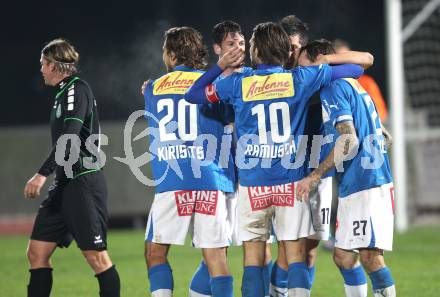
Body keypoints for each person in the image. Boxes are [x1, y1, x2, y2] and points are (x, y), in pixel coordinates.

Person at [185, 22, 370, 297]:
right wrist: (325, 63)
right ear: (284, 51)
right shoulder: (300, 78)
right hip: (290, 183)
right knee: (295, 256)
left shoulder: (237, 82)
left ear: (255, 50)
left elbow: (194, 95)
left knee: (254, 258)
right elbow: (357, 68)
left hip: (253, 184)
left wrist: (219, 65)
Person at [143, 26, 239, 297]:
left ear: (172, 53)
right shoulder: (214, 84)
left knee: (155, 253)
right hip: (212, 178)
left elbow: (152, 99)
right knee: (216, 259)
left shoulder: (152, 88)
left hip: (173, 179)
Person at [297, 39, 396, 297]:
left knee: (371, 258)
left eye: (303, 63)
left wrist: (315, 175)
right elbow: (386, 136)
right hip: (361, 180)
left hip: (367, 183)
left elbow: (349, 140)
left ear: (318, 59)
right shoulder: (356, 86)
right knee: (343, 256)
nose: (300, 70)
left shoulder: (333, 87)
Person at [23, 38, 120, 297]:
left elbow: (71, 139)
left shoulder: (77, 89)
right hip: (65, 184)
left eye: (43, 64)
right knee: (37, 253)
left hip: (83, 182)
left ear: (54, 65)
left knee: (96, 257)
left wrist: (41, 174)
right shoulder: (62, 93)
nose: (41, 69)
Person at [188, 20, 274, 297]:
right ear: (217, 49)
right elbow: (187, 97)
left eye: (241, 43)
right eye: (230, 44)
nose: (238, 48)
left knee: (262, 249)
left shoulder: (254, 78)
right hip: (219, 177)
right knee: (215, 252)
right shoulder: (207, 83)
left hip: (254, 178)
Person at [333, 39, 388, 124]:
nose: (343, 61)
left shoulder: (366, 82)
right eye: (339, 58)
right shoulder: (327, 83)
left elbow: (380, 113)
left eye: (346, 57)